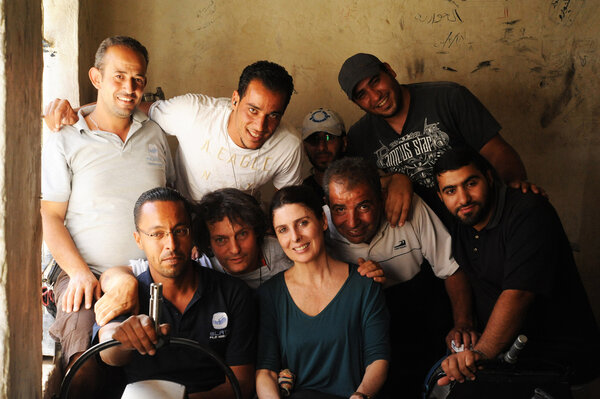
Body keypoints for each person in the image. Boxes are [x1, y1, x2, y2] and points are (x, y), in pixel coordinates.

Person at [41, 35, 175, 395]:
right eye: (118, 76)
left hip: (150, 271)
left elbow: (171, 201)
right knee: (83, 360)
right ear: (96, 78)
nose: (129, 88)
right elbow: (50, 216)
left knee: (160, 354)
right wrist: (80, 274)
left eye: (138, 79)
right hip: (86, 271)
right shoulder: (66, 137)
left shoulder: (155, 136)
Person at [433, 147, 600, 390]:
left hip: (558, 364)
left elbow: (518, 294)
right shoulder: (460, 217)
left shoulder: (529, 212)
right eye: (450, 190)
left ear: (489, 177)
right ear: (440, 196)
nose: (463, 198)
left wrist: (480, 354)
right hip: (510, 363)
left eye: (471, 183)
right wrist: (464, 324)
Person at [44, 60, 304, 201]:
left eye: (273, 116)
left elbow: (289, 201)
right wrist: (75, 112)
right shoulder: (194, 113)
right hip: (185, 213)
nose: (260, 126)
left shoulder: (288, 144)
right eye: (253, 110)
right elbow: (131, 106)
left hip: (238, 222)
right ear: (234, 100)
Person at [322, 156, 474, 397]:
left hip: (418, 318)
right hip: (359, 330)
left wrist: (463, 323)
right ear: (328, 207)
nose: (352, 222)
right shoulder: (319, 227)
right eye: (340, 209)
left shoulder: (408, 206)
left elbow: (450, 269)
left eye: (363, 206)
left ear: (382, 198)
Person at [337, 53, 542, 227]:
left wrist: (513, 189)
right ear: (356, 103)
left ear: (390, 71)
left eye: (375, 81)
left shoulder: (448, 97)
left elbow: (496, 151)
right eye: (362, 94)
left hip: (476, 218)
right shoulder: (360, 136)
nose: (375, 96)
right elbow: (357, 188)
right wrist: (395, 179)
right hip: (423, 237)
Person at [95, 187, 256, 398]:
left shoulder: (233, 294)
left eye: (180, 231)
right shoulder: (128, 292)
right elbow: (108, 349)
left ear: (192, 234)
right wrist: (124, 338)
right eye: (157, 234)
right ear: (138, 239)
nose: (171, 244)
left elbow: (241, 385)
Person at [256, 185, 390, 399]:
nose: (295, 237)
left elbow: (378, 358)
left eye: (303, 223)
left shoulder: (364, 284)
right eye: (283, 229)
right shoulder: (270, 295)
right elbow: (266, 371)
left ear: (323, 221)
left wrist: (361, 395)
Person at [130, 188, 385, 289]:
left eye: (242, 234)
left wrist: (362, 271)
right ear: (207, 243)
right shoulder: (202, 262)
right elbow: (131, 270)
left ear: (259, 231)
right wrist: (119, 282)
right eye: (221, 240)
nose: (234, 249)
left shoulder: (285, 249)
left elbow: (327, 263)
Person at [301, 108, 346, 204]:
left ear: (344, 143)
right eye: (314, 139)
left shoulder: (361, 186)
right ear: (304, 148)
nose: (321, 147)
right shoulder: (302, 196)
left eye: (329, 137)